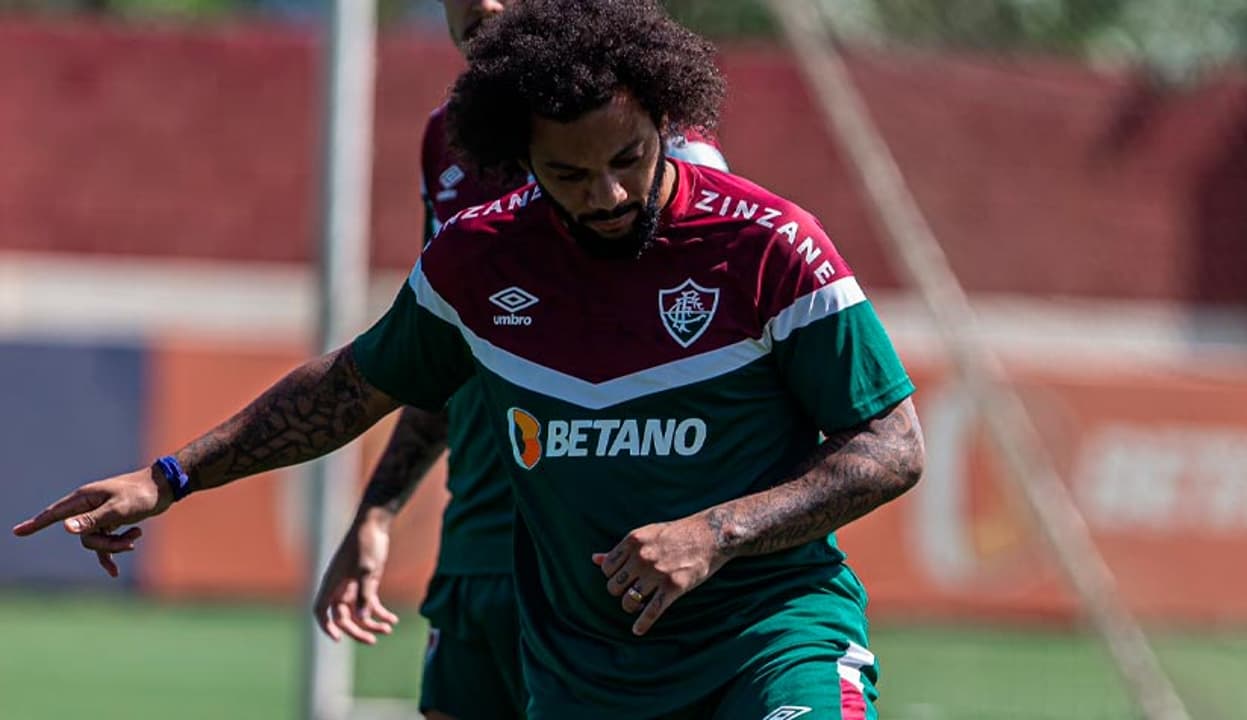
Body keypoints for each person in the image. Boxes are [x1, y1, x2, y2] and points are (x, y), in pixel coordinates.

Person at [12, 1, 923, 718]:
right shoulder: (478, 261)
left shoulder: (769, 243)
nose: (606, 194)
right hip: (588, 676)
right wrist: (169, 478)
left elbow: (891, 445)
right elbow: (349, 389)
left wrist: (715, 532)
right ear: (517, 159)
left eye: (630, 159)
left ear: (665, 118)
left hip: (771, 638)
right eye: (569, 175)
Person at [310, 1, 729, 718]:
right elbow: (442, 351)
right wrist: (378, 511)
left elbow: (709, 348)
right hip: (479, 543)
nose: (486, 3)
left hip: (601, 563)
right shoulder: (446, 141)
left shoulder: (653, 136)